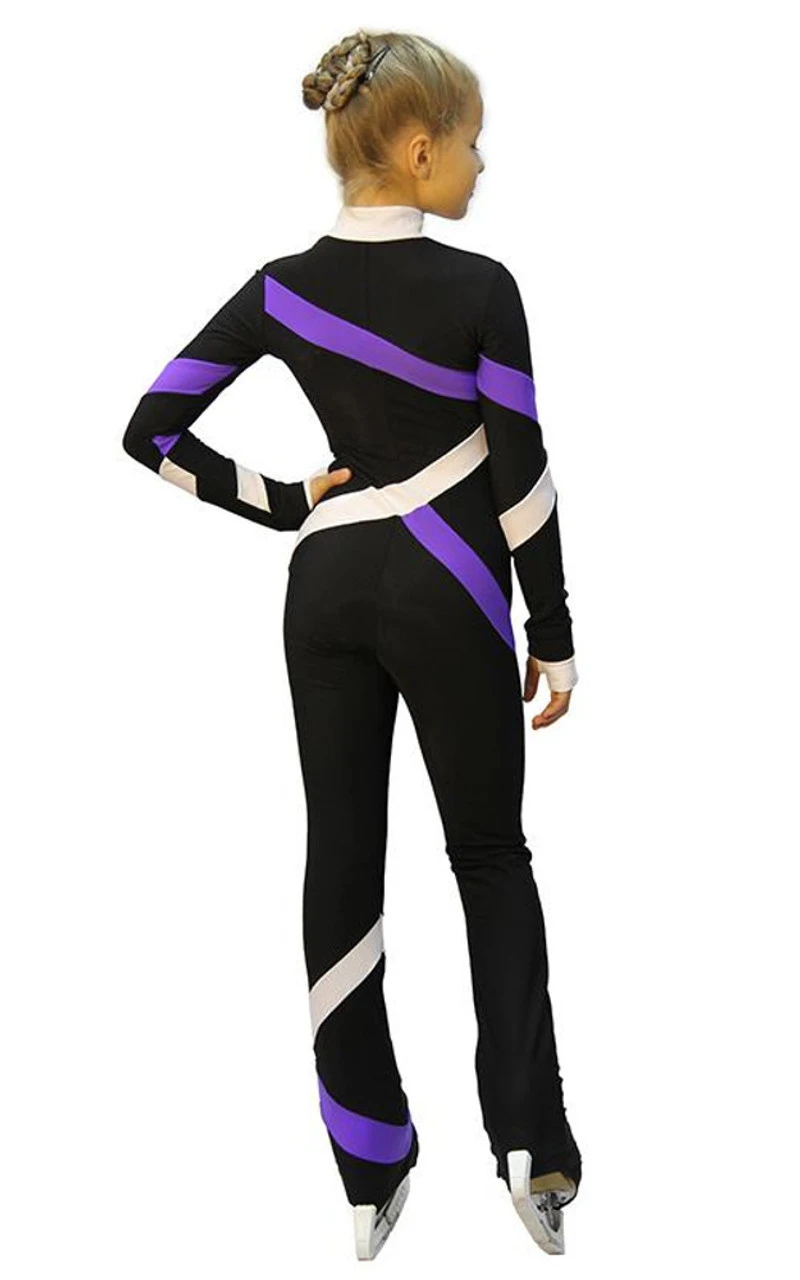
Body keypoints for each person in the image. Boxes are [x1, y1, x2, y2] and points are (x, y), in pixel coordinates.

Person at [122, 27, 583, 1262]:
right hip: (448, 583)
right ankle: (531, 1150)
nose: (481, 163)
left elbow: (150, 427)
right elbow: (522, 479)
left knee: (340, 853)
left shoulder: (280, 287)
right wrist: (552, 629)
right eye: (472, 142)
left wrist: (287, 501)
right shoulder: (482, 289)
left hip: (324, 585)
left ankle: (366, 1163)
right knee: (488, 854)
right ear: (419, 150)